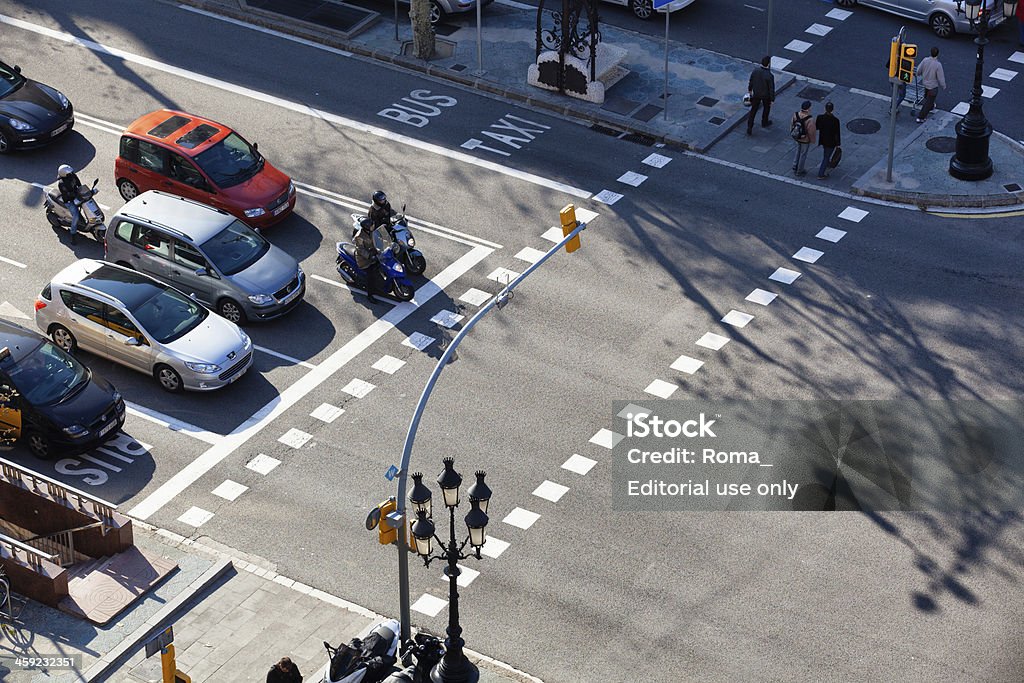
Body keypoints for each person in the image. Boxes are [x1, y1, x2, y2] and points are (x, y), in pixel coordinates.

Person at [354, 217, 384, 304]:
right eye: (371, 225)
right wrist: (370, 256)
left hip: (374, 253)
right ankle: (370, 295)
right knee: (371, 276)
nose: (373, 226)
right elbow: (360, 249)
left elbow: (378, 239)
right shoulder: (359, 236)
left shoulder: (372, 232)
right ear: (367, 227)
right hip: (364, 259)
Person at [746, 56, 776, 136]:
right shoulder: (769, 75)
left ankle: (750, 126)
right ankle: (764, 122)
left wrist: (750, 89)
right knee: (766, 108)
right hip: (766, 96)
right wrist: (772, 99)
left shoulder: (755, 71)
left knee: (753, 110)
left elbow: (751, 81)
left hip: (756, 94)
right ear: (768, 64)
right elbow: (771, 88)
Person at [915, 47, 945, 123]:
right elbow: (940, 77)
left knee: (927, 96)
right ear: (937, 54)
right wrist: (943, 85)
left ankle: (931, 106)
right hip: (933, 86)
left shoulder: (925, 60)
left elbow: (918, 70)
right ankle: (920, 117)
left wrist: (918, 74)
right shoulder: (938, 65)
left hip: (925, 83)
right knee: (929, 102)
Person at [56, 164, 83, 245]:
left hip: (76, 195)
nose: (71, 173)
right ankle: (73, 234)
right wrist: (76, 195)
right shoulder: (62, 183)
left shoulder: (72, 175)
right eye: (69, 173)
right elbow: (68, 194)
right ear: (64, 174)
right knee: (76, 215)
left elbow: (78, 183)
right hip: (69, 200)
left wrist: (82, 190)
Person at [815, 102, 841, 180]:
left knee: (826, 154)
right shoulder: (835, 120)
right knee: (826, 157)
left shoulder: (820, 117)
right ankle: (821, 174)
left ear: (825, 108)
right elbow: (837, 133)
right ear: (832, 109)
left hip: (823, 140)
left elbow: (817, 127)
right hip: (831, 142)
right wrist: (838, 143)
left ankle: (826, 164)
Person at [791, 101, 816, 177]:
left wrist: (793, 134)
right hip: (805, 139)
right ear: (808, 109)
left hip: (797, 136)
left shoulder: (795, 114)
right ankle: (800, 170)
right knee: (803, 154)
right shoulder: (810, 119)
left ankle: (795, 165)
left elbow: (792, 124)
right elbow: (811, 132)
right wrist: (812, 140)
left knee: (798, 151)